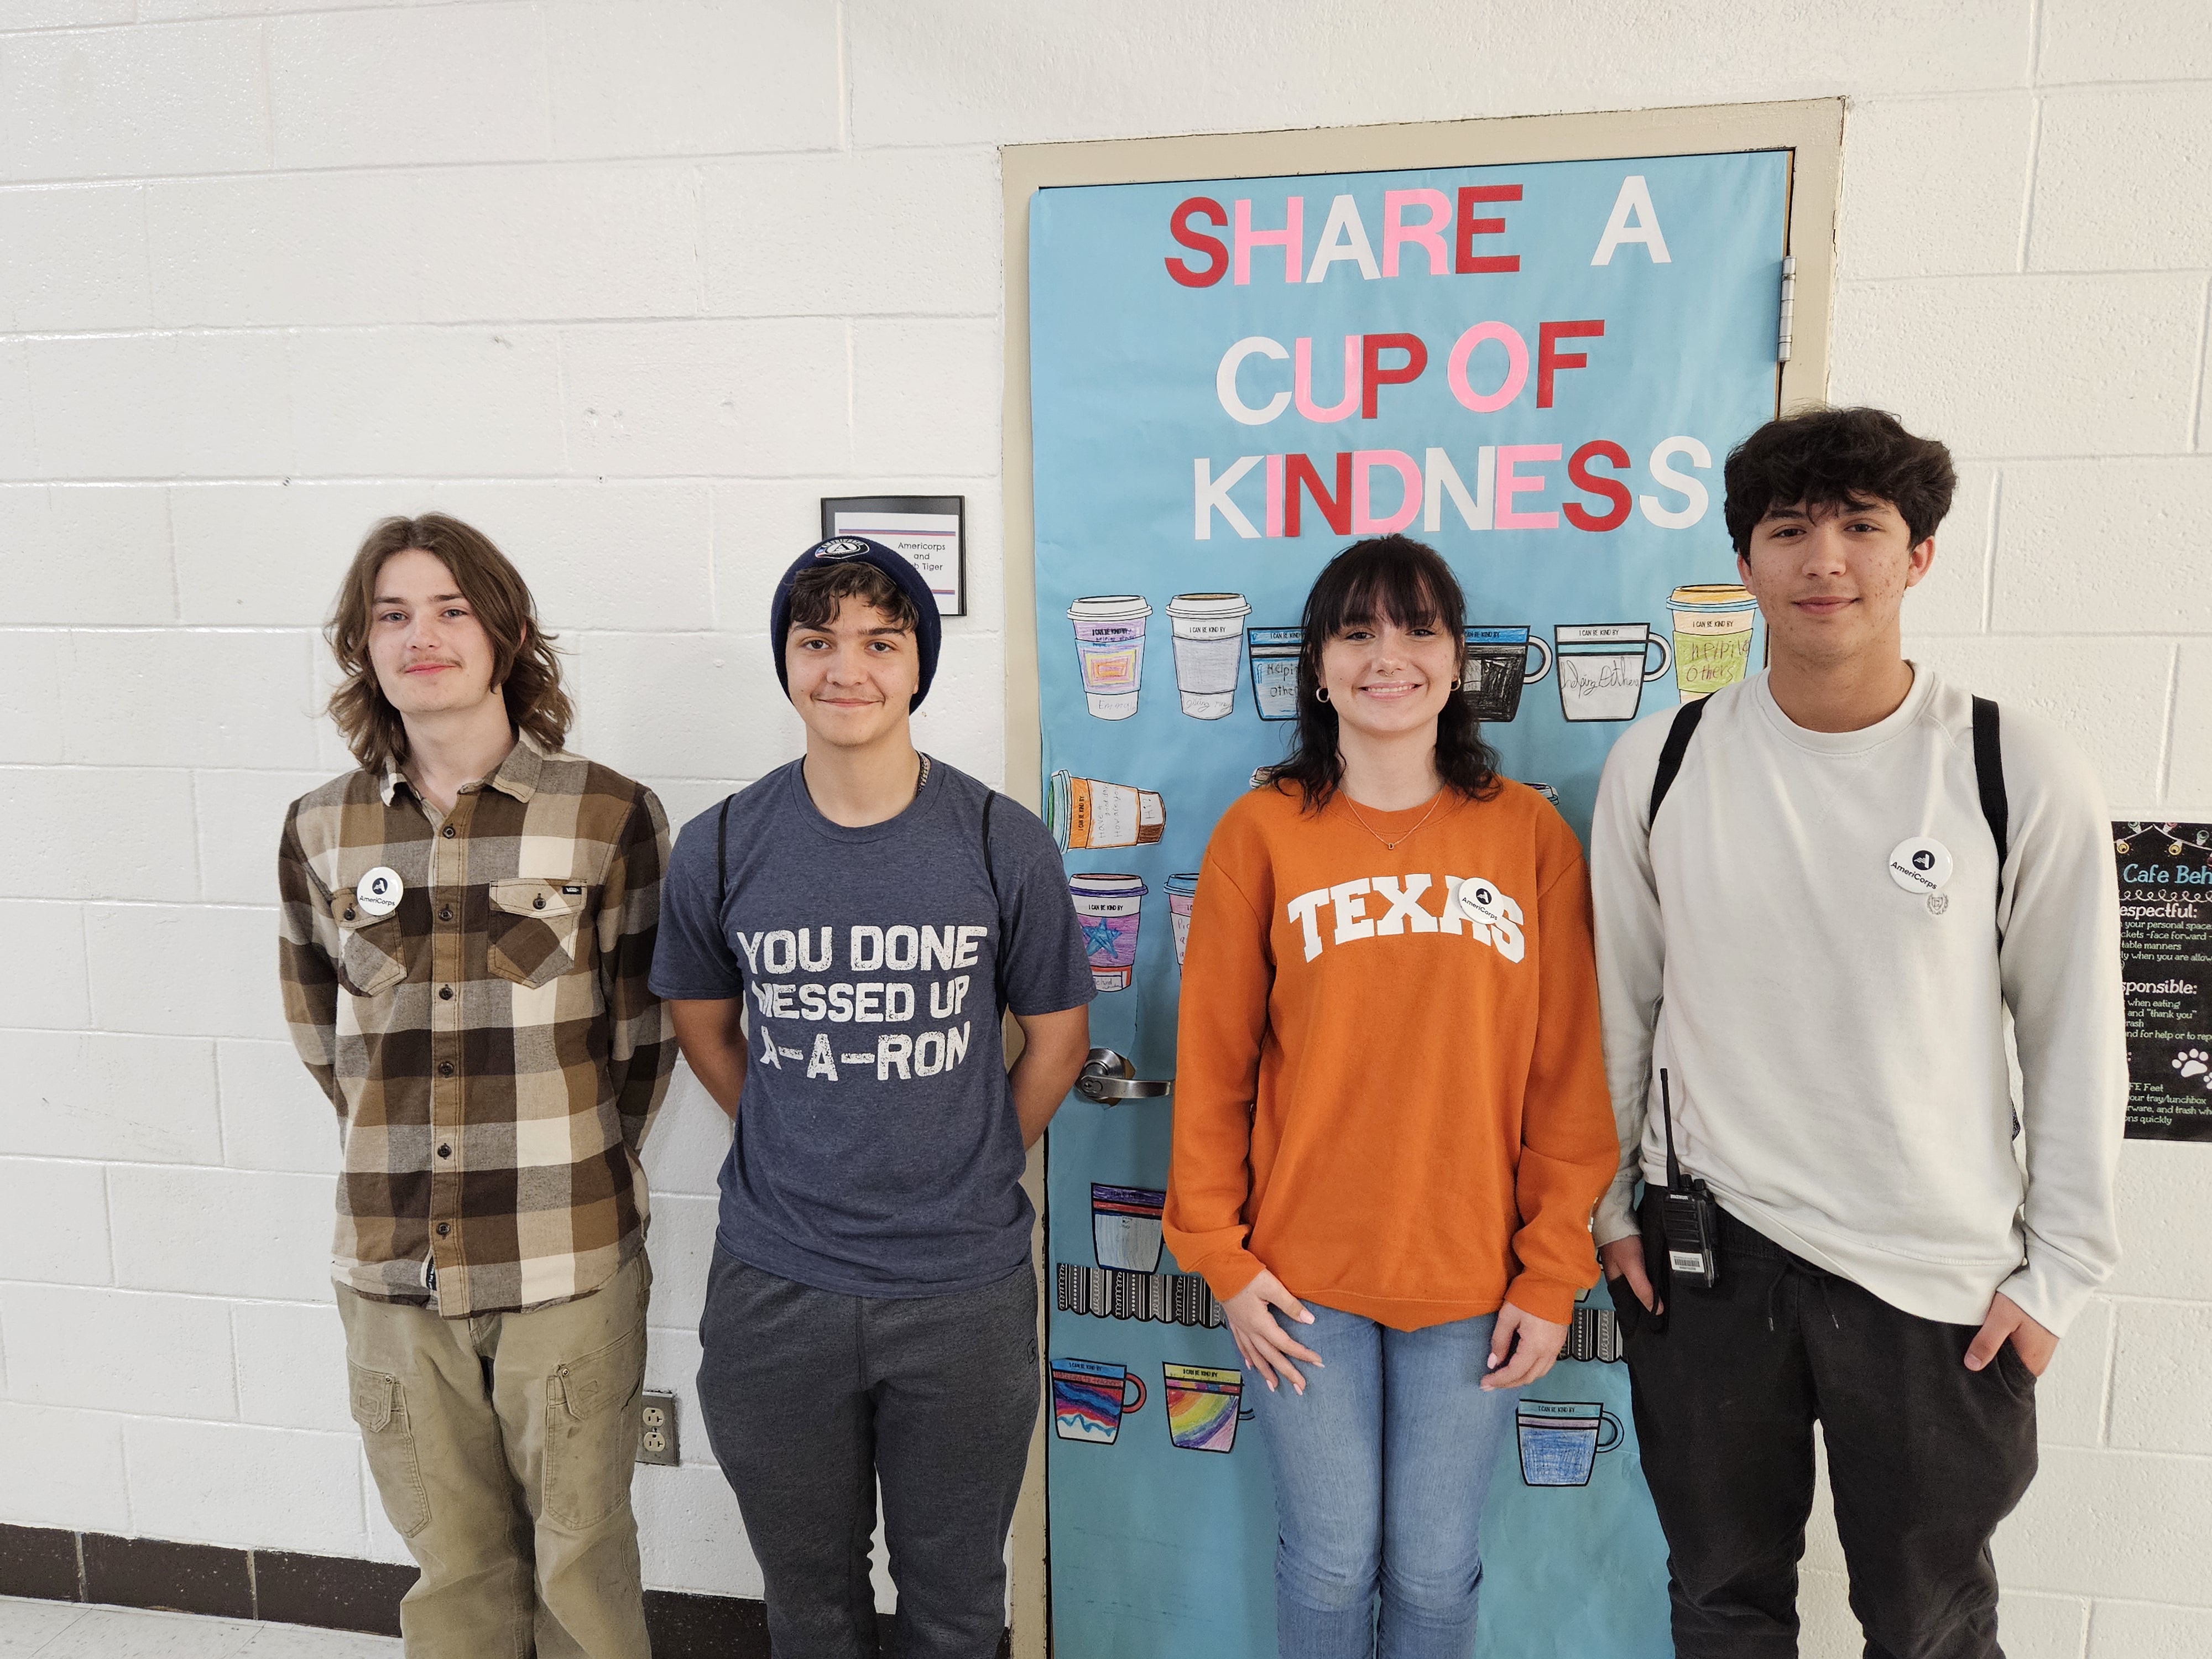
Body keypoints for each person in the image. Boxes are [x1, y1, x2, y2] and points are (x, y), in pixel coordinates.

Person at [1589, 406, 2127, 1656]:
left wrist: (2055, 1277)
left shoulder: (2006, 765)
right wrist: (1611, 1211)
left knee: (1926, 1623)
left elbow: (2073, 1041)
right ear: (1745, 566)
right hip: (1708, 1263)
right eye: (1787, 530)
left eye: (1859, 527)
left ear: (1916, 556)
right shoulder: (1661, 762)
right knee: (1721, 1605)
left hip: (1933, 1279)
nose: (1822, 558)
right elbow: (1619, 1007)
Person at [1164, 535, 1619, 1658]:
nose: (1387, 656)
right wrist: (1223, 1259)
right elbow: (1213, 1070)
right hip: (1300, 1279)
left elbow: (1569, 1076)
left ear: (1456, 661)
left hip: (1470, 1276)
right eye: (1355, 631)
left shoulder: (1526, 836)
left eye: (1417, 629)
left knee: (1430, 1573)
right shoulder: (1260, 832)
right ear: (1315, 668)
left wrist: (1553, 1266)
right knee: (1324, 1565)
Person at [651, 536, 1096, 1659]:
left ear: (916, 667)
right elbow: (702, 1023)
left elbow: (1055, 1040)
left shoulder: (1002, 841)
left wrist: (978, 1149)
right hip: (776, 1285)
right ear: (787, 662)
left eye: (878, 642)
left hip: (961, 1292)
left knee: (953, 1605)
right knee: (808, 1602)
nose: (845, 668)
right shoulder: (719, 848)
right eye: (817, 642)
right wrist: (785, 1119)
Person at [277, 514, 673, 1658]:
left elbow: (641, 1043)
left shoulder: (606, 813)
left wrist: (567, 1153)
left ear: (504, 632)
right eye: (392, 615)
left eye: (451, 609)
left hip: (567, 1262)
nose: (423, 636)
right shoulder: (320, 829)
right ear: (363, 645)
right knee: (452, 1579)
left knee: (583, 1568)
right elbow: (321, 1037)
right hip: (393, 1267)